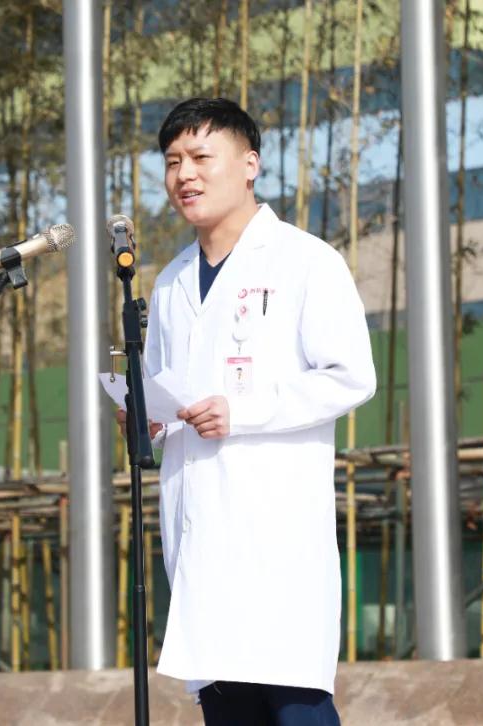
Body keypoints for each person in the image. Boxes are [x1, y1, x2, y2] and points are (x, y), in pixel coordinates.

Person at [135, 97, 375, 725]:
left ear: (250, 164)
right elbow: (166, 394)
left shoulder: (305, 261)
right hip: (198, 532)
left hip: (274, 534)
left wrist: (242, 411)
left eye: (200, 157)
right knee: (227, 708)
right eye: (172, 162)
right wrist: (148, 419)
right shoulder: (170, 283)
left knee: (296, 706)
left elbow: (351, 377)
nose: (184, 175)